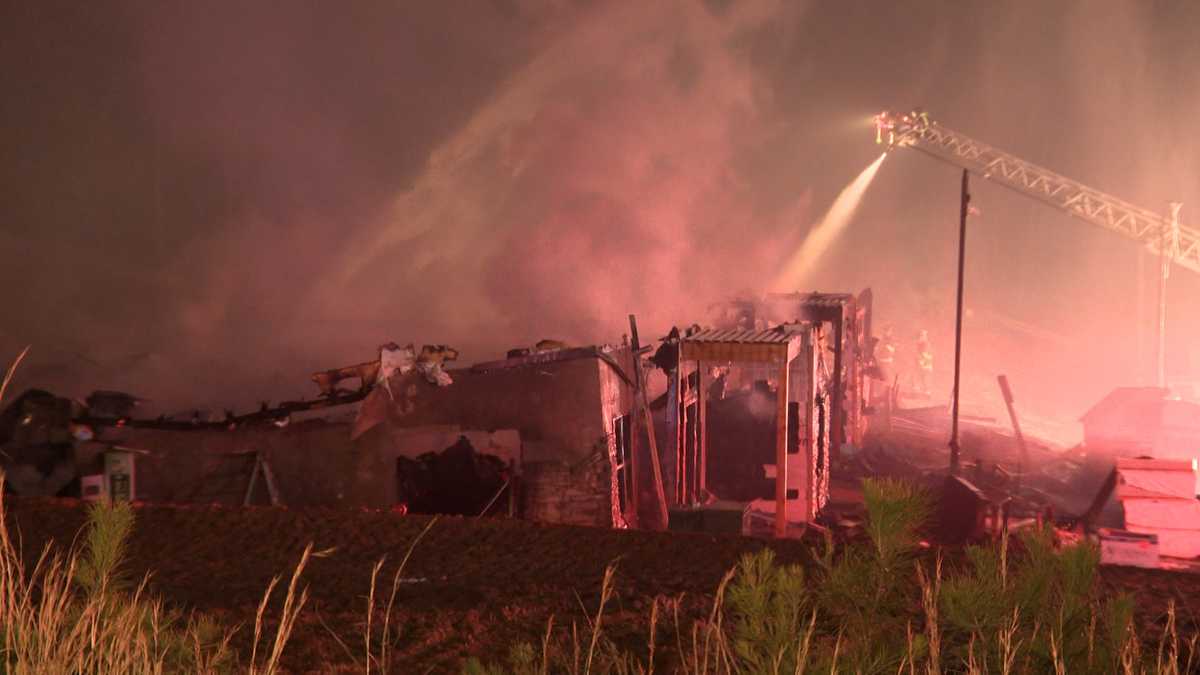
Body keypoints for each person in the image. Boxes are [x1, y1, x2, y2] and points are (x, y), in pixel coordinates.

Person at [914, 329, 933, 397]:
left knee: (925, 378)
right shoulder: (921, 344)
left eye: (923, 335)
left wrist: (922, 363)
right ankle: (921, 391)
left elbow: (925, 355)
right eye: (922, 335)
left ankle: (926, 392)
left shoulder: (926, 344)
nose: (922, 337)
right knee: (921, 378)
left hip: (925, 365)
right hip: (923, 365)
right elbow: (918, 354)